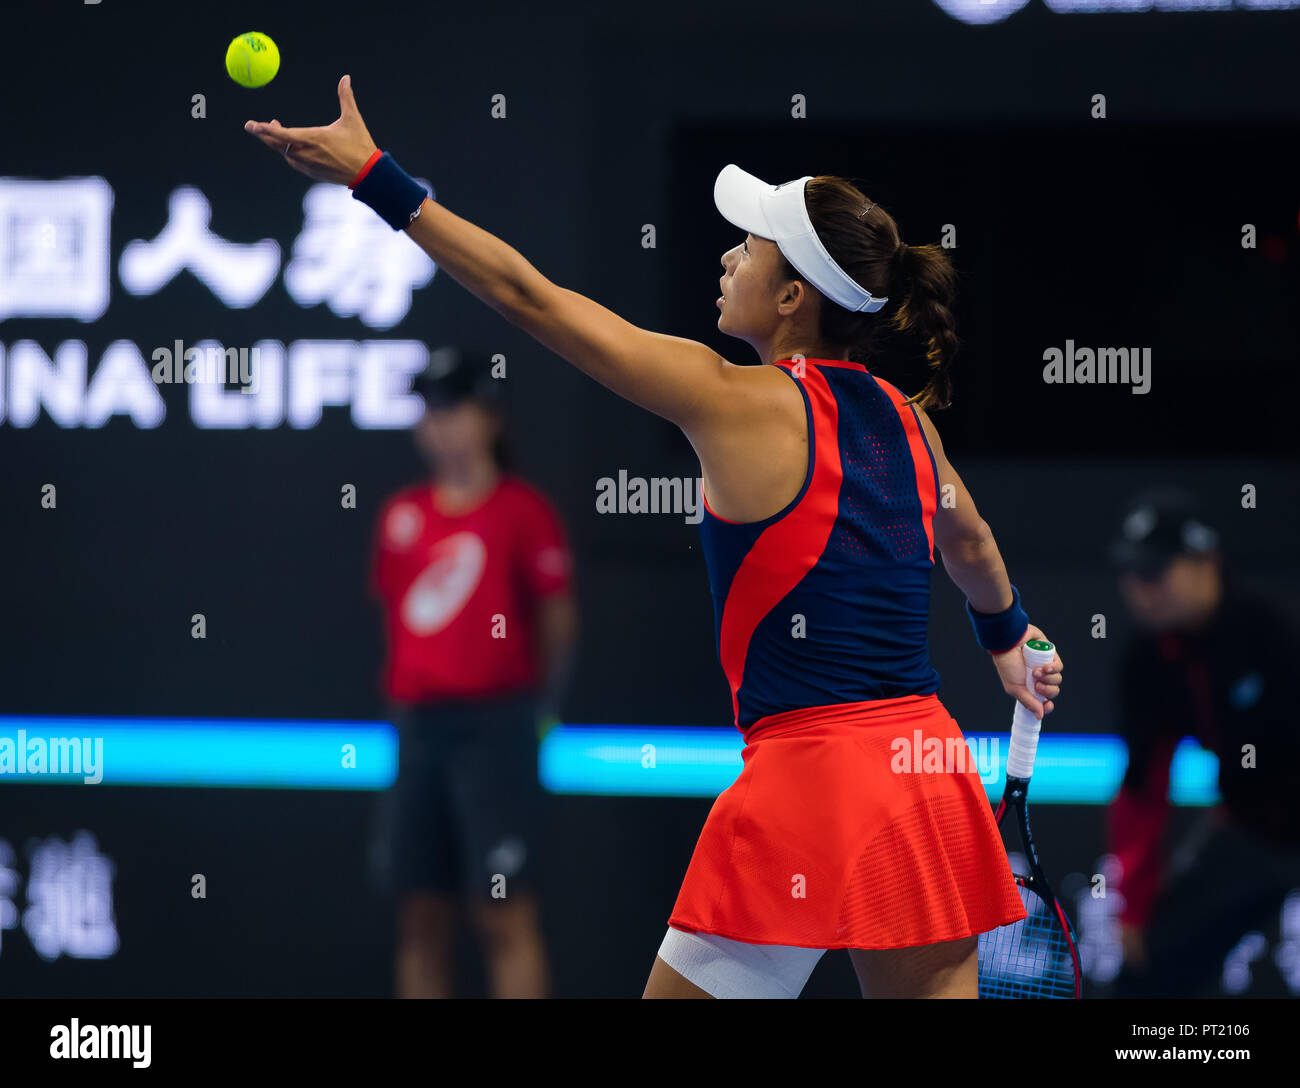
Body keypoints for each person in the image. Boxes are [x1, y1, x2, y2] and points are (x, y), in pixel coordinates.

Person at [244, 77, 1064, 999]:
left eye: (747, 247)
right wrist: (1011, 638)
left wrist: (376, 177)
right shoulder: (909, 424)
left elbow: (534, 301)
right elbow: (973, 547)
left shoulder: (724, 398)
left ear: (792, 295)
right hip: (924, 775)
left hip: (807, 782)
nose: (727, 257)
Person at [368, 345, 578, 998]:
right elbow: (397, 620)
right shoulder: (401, 517)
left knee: (503, 913)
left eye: (453, 407)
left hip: (498, 729)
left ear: (490, 417)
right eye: (428, 409)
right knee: (422, 917)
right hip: (419, 728)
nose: (439, 423)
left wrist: (536, 713)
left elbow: (558, 623)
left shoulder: (522, 512)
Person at [1106, 488, 1300, 997]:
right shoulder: (1147, 660)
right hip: (1251, 833)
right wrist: (1133, 908)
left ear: (1206, 561)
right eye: (1131, 575)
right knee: (1145, 974)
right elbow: (1143, 788)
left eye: (1155, 572)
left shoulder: (1276, 634)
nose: (1141, 589)